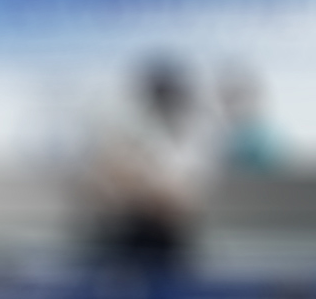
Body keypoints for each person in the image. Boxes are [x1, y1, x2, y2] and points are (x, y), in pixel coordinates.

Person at [75, 54, 214, 280]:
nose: (164, 102)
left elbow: (184, 198)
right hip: (121, 230)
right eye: (158, 94)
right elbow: (102, 182)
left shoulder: (192, 135)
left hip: (167, 234)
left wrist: (156, 195)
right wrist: (138, 190)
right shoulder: (121, 128)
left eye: (169, 94)